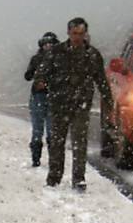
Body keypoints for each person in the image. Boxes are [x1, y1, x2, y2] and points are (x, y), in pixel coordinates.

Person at [36, 17, 114, 191]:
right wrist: (42, 82)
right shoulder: (56, 52)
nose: (77, 37)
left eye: (81, 33)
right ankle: (54, 176)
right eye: (74, 33)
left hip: (81, 105)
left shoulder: (92, 55)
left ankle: (78, 179)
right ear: (68, 33)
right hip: (59, 104)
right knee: (56, 142)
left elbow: (101, 80)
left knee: (79, 143)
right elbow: (42, 72)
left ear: (85, 34)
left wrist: (108, 102)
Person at [24, 32, 58, 167]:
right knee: (39, 130)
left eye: (50, 43)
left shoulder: (59, 59)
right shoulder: (37, 59)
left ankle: (51, 159)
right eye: (46, 43)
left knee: (50, 131)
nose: (48, 46)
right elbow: (27, 76)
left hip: (52, 97)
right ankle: (36, 158)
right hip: (39, 95)